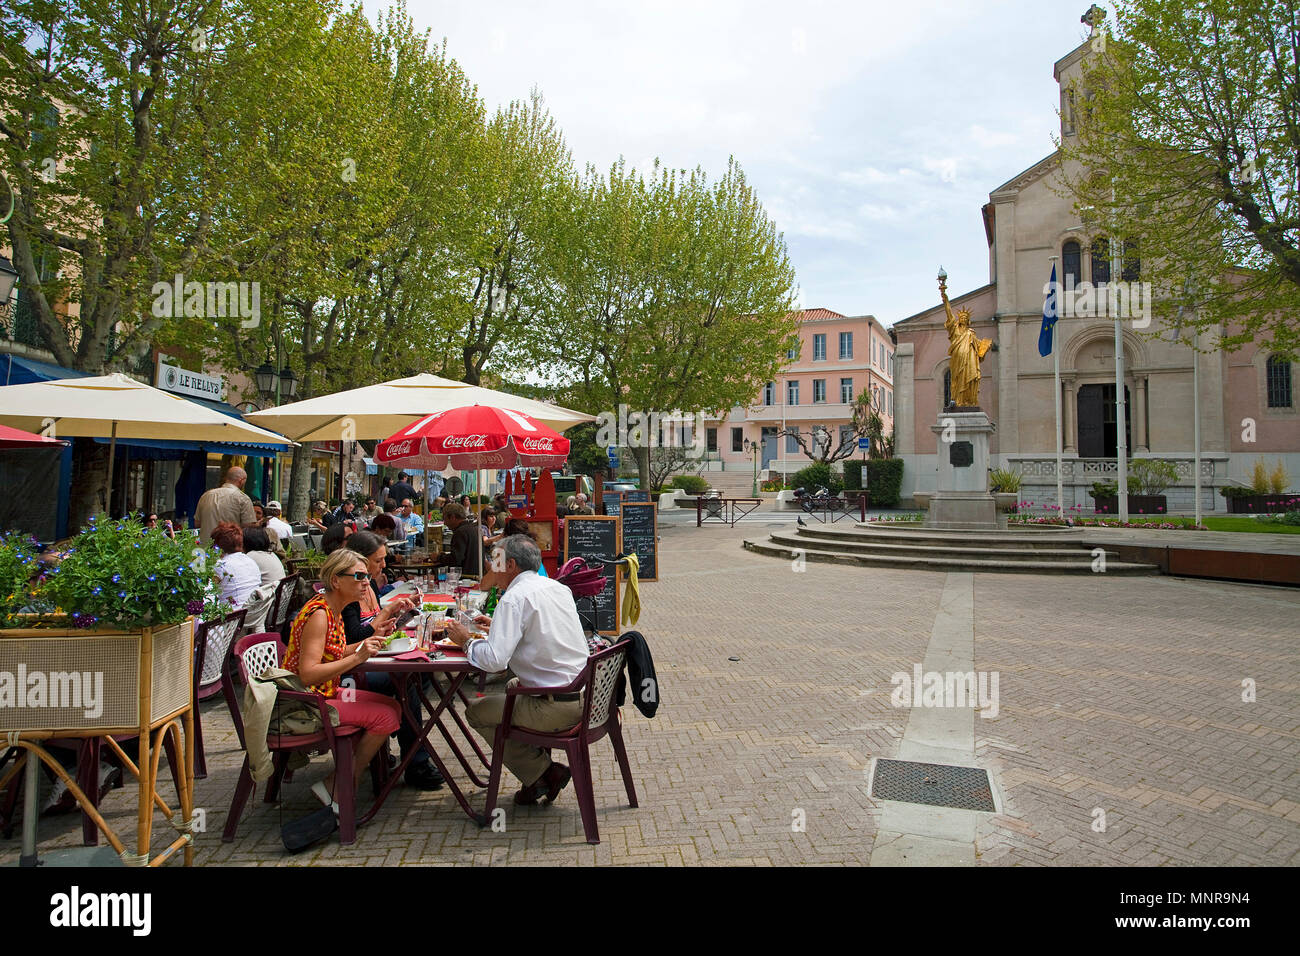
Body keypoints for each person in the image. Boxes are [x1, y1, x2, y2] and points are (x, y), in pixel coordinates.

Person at [445, 535, 587, 805]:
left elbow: (495, 662)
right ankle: (537, 776)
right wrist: (498, 625)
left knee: (477, 712)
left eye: (495, 561)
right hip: (585, 696)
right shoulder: (556, 588)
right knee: (512, 688)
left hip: (556, 706)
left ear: (510, 564)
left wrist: (465, 641)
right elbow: (540, 631)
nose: (491, 567)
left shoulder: (514, 598)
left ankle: (542, 772)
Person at [284, 549, 402, 814]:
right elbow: (308, 673)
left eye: (366, 576)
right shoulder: (319, 614)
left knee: (393, 707)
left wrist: (370, 642)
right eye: (359, 576)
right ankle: (342, 781)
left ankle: (344, 778)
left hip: (324, 692)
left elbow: (335, 652)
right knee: (384, 717)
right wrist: (358, 656)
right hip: (308, 701)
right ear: (336, 581)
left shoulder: (334, 608)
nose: (366, 582)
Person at [341, 531, 443, 790]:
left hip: (371, 660)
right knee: (409, 682)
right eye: (378, 560)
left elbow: (374, 630)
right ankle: (415, 761)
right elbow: (355, 638)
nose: (383, 565)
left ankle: (405, 740)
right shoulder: (348, 593)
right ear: (359, 563)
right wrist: (387, 612)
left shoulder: (369, 584)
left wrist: (398, 618)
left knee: (420, 674)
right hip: (351, 673)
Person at [195, 466, 255, 544]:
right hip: (229, 548)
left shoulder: (206, 495)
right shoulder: (243, 498)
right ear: (242, 481)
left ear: (226, 478)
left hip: (205, 549)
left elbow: (197, 523)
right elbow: (248, 529)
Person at [210, 522, 262, 608]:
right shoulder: (251, 561)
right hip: (254, 615)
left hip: (232, 617)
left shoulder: (221, 566)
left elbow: (207, 592)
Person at [439, 502, 480, 573]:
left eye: (445, 519)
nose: (445, 523)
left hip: (465, 577)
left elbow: (455, 559)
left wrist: (439, 557)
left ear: (452, 517)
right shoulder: (474, 528)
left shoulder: (460, 532)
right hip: (476, 574)